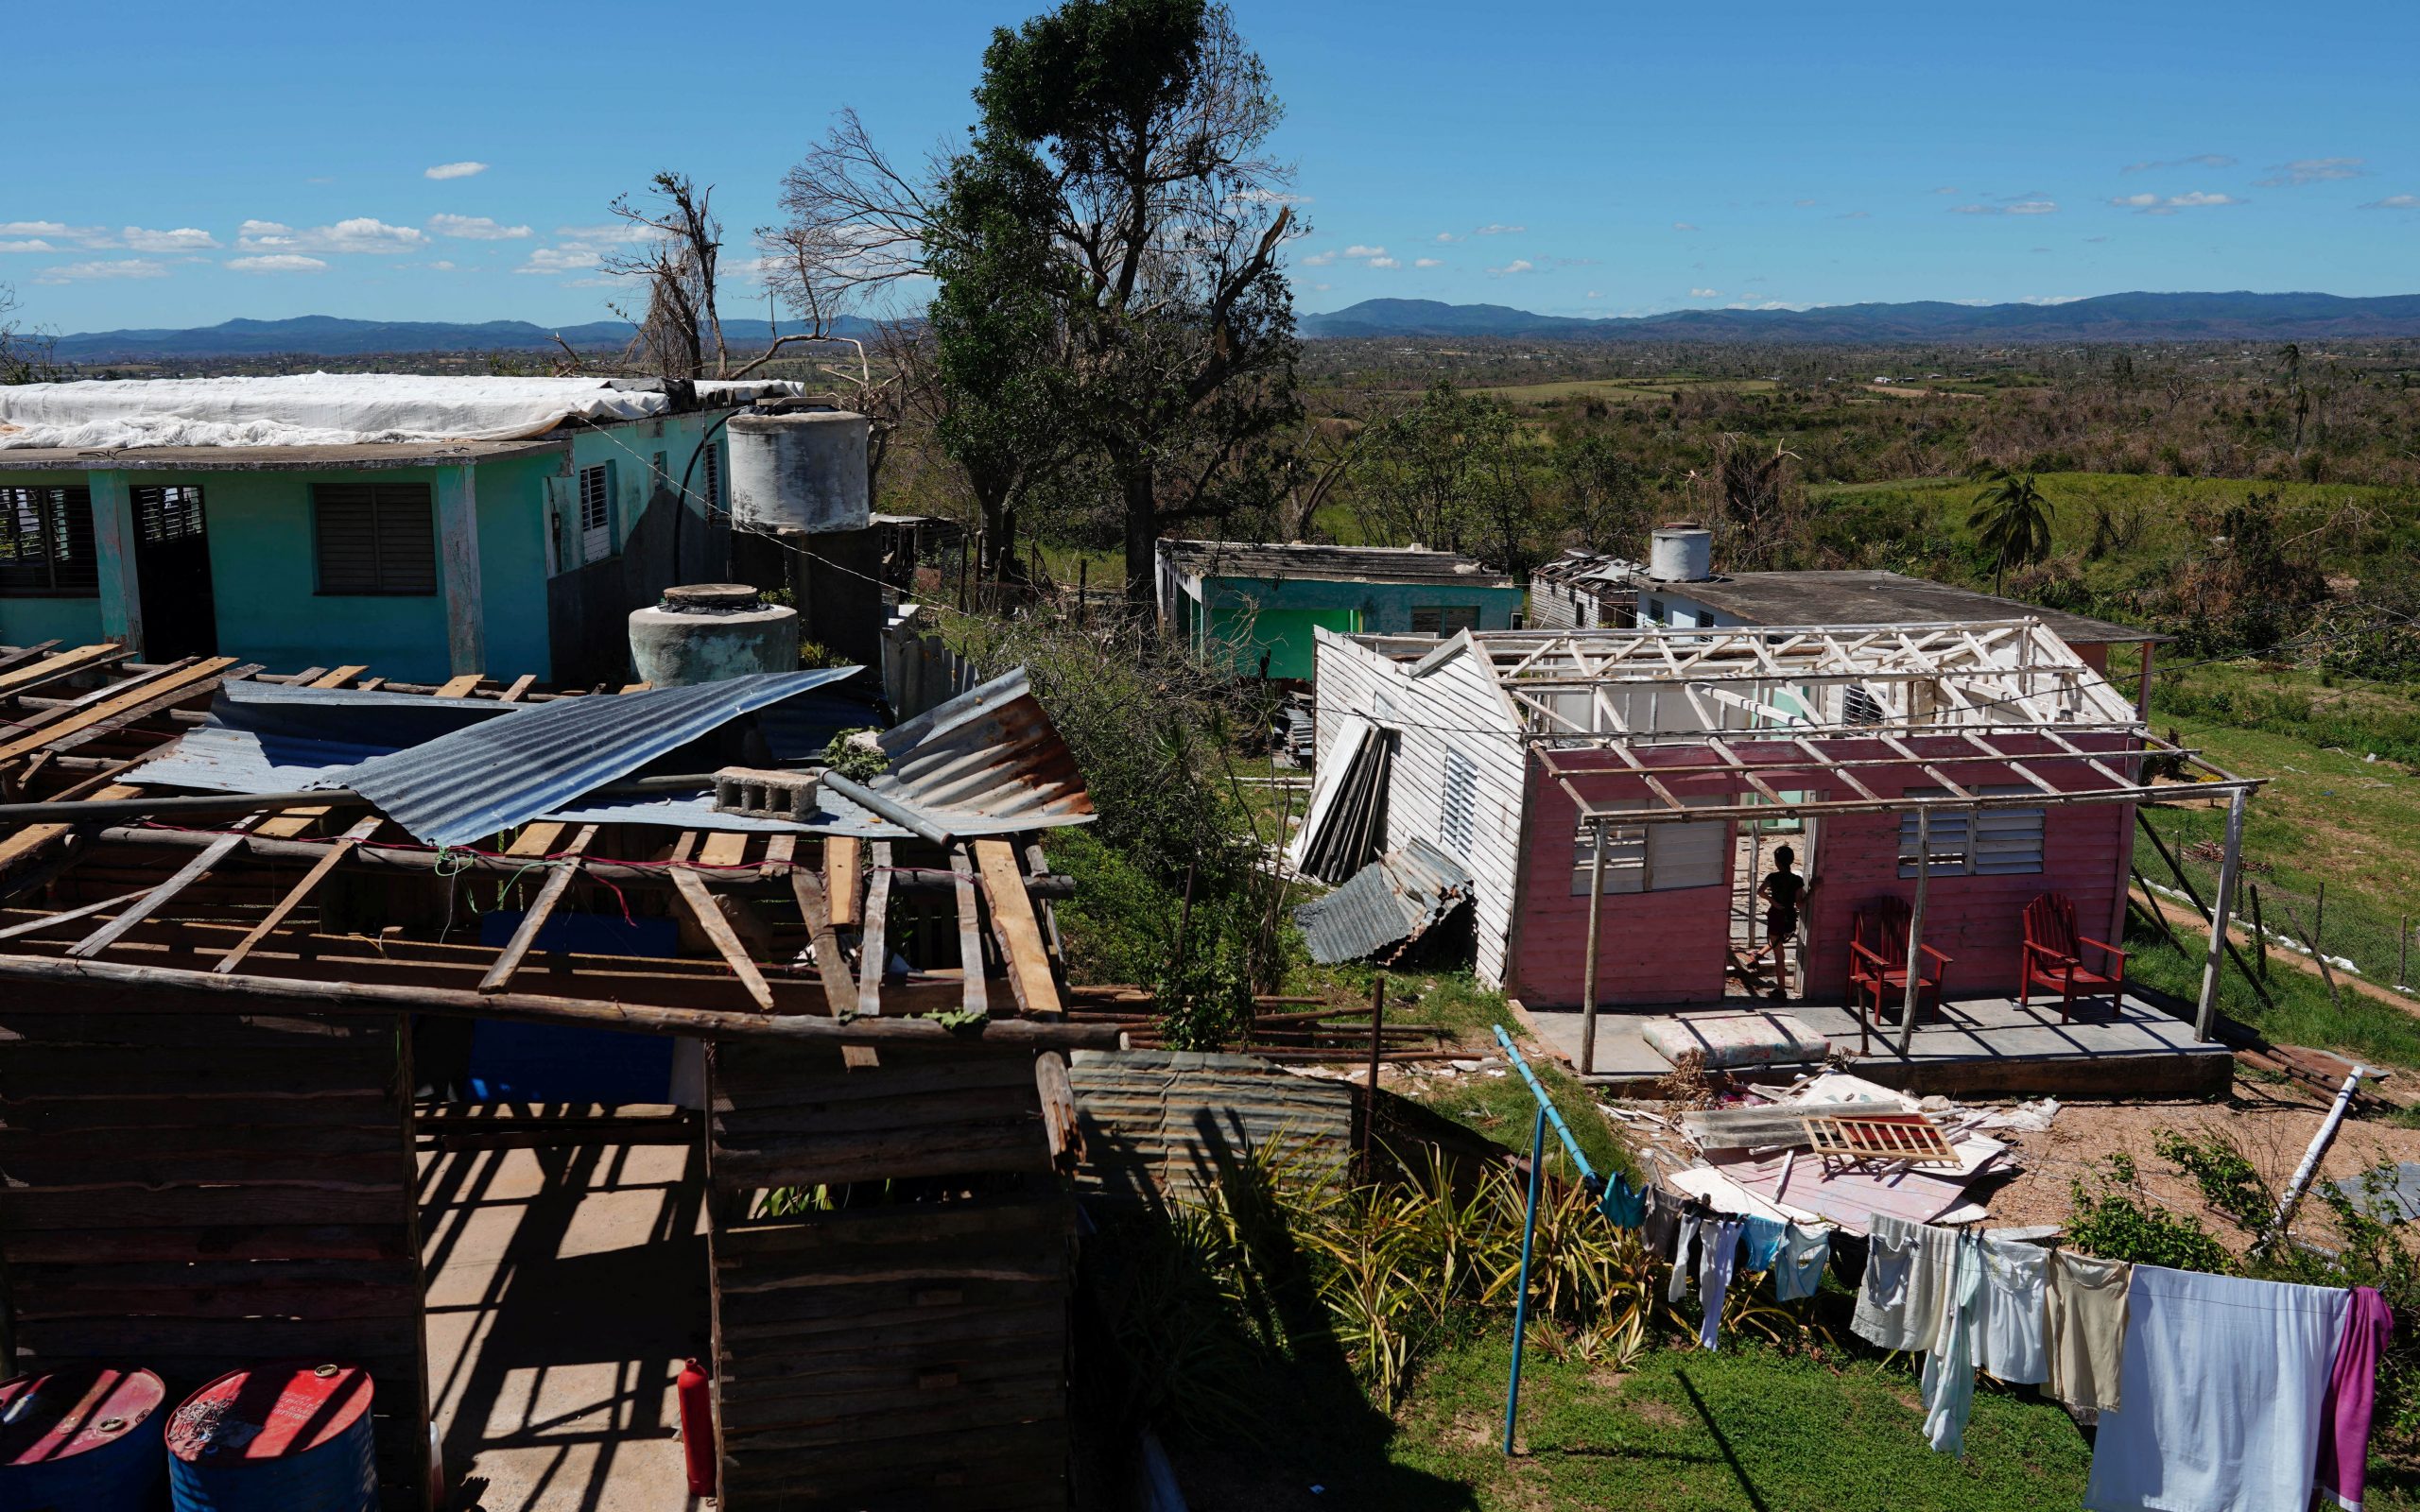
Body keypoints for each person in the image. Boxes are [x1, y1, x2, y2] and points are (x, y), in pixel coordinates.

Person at [1752, 845, 1807, 999]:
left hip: (1776, 917)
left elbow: (1760, 892)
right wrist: (1813, 890)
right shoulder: (1797, 880)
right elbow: (1800, 904)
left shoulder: (1773, 877)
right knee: (1778, 945)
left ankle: (1781, 991)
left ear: (1777, 862)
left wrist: (1772, 901)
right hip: (1789, 919)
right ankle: (1759, 955)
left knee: (1779, 957)